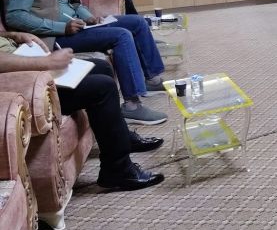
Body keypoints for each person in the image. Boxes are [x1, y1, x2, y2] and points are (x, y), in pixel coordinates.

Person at [2, 0, 167, 125]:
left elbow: (71, 1)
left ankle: (151, 79)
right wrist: (62, 27)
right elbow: (15, 16)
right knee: (121, 36)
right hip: (52, 37)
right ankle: (132, 105)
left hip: (76, 25)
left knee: (136, 22)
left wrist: (87, 16)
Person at [0, 30, 164, 190]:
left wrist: (11, 35)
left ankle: (122, 139)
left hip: (24, 63)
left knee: (101, 67)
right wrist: (46, 62)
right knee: (102, 87)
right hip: (19, 83)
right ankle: (118, 169)